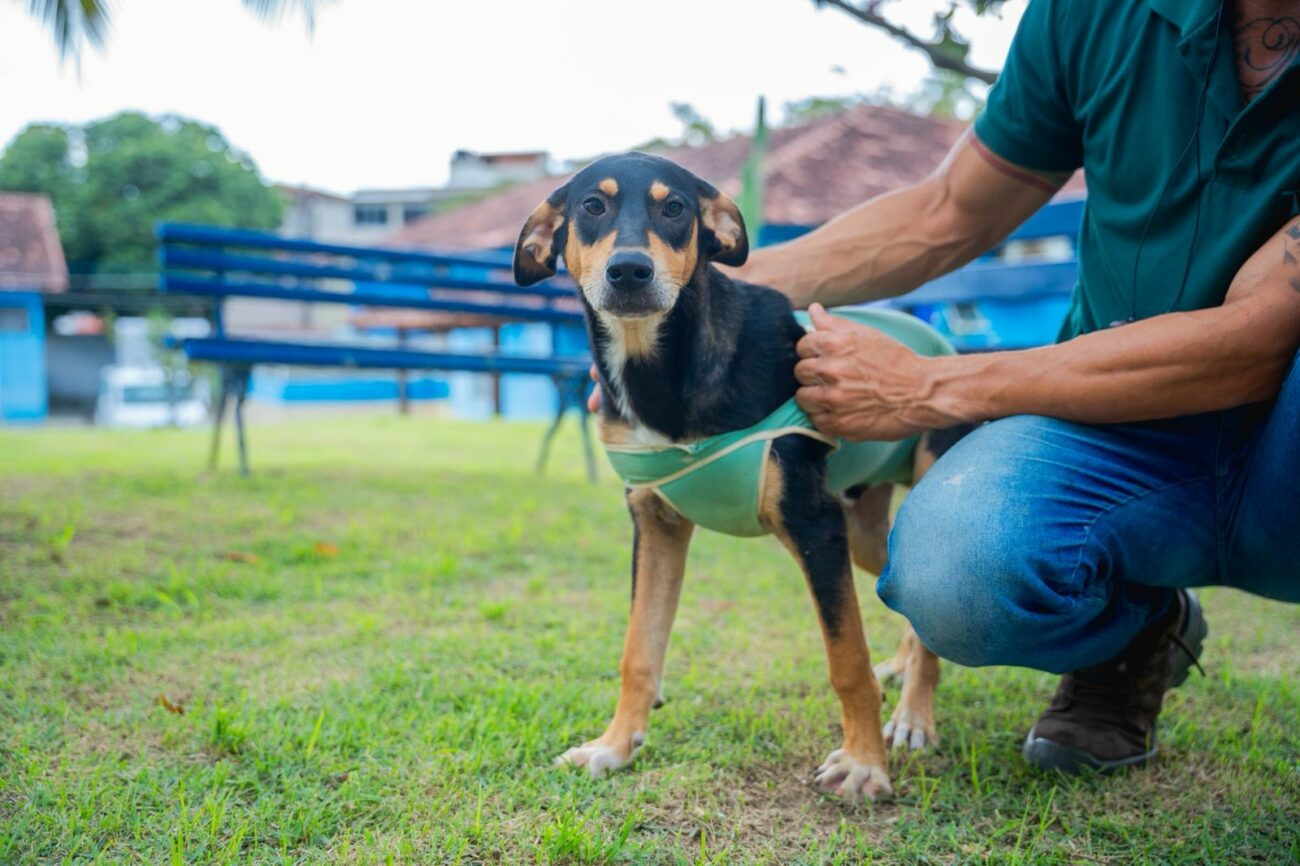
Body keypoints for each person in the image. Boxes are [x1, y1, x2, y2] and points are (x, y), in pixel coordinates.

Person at [596, 0, 1300, 774]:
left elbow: (1257, 340)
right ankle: (1132, 628)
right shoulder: (1092, 14)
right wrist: (682, 314)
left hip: (1282, 441)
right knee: (948, 574)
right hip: (1112, 424)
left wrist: (932, 383)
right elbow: (945, 210)